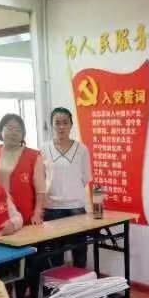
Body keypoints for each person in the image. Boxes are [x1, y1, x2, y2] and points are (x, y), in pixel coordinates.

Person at [41, 107, 92, 268]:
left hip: (76, 208)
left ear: (71, 125)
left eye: (65, 123)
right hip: (52, 208)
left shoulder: (82, 149)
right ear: (51, 125)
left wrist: (70, 191)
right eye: (57, 123)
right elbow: (40, 178)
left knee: (80, 253)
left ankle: (81, 283)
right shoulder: (44, 149)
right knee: (55, 255)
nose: (61, 126)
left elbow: (85, 178)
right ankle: (57, 284)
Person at [0, 113, 46, 226]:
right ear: (1, 130)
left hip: (23, 213)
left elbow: (41, 191)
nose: (14, 132)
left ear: (23, 134)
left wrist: (37, 213)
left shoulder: (33, 155)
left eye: (18, 129)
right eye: (10, 127)